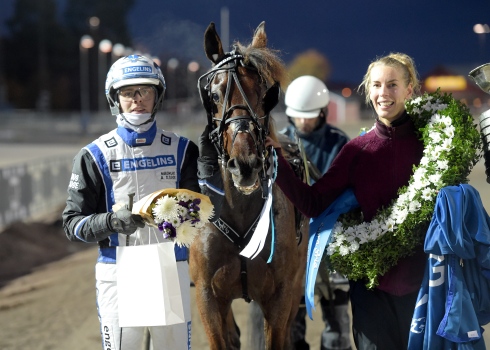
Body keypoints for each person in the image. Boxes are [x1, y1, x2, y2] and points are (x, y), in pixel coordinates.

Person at [266, 53, 426, 350]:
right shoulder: (357, 151)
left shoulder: (432, 144)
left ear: (409, 88)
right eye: (377, 85)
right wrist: (277, 159)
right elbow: (313, 204)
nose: (383, 93)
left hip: (422, 285)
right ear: (368, 90)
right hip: (370, 287)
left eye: (392, 84)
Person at [62, 54, 222, 350]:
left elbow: (201, 215)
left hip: (169, 267)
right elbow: (72, 225)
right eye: (127, 92)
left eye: (145, 91)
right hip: (118, 269)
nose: (137, 100)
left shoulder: (183, 150)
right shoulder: (93, 155)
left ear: (157, 96)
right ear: (115, 99)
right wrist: (110, 222)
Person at [282, 76, 351, 350]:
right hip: (292, 247)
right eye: (298, 117)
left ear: (323, 111)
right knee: (291, 325)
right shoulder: (280, 144)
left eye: (309, 117)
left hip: (332, 243)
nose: (303, 123)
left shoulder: (339, 142)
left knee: (338, 325)